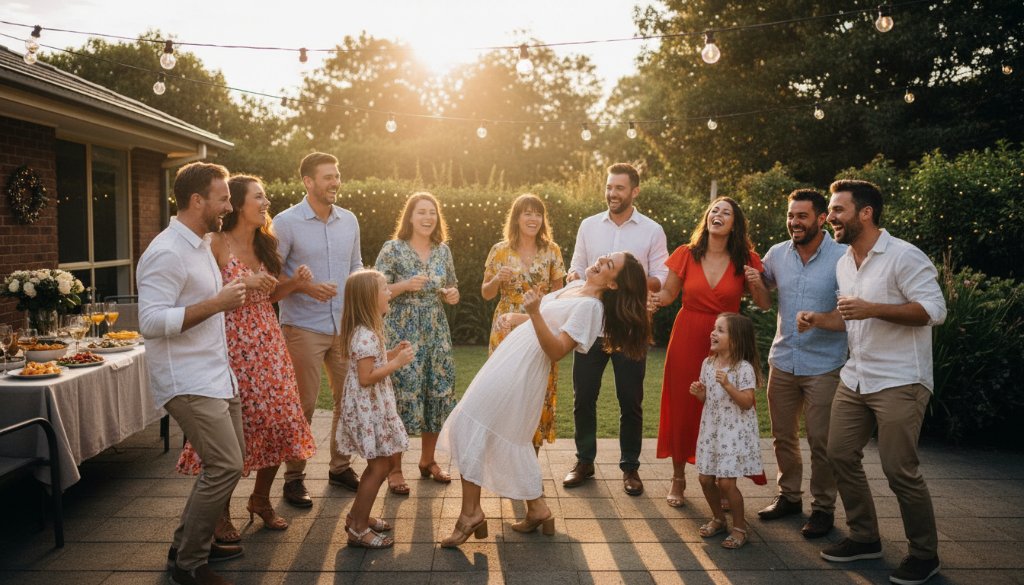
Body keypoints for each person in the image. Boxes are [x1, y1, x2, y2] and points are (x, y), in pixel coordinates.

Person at [437, 252, 651, 548]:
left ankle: (470, 514)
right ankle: (537, 508)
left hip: (525, 368)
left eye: (609, 265)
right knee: (490, 429)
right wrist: (519, 317)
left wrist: (535, 313)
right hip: (510, 355)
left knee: (471, 423)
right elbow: (550, 320)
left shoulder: (592, 308)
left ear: (614, 286)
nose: (601, 260)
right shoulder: (574, 287)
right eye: (605, 256)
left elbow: (557, 350)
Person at [800, 180, 946, 585]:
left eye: (837, 210)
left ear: (865, 213)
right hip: (857, 375)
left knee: (899, 469)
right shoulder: (845, 262)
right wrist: (819, 318)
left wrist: (874, 309)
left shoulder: (903, 256)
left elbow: (935, 311)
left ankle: (924, 553)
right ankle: (865, 537)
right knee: (839, 453)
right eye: (830, 210)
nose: (829, 217)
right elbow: (849, 317)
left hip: (900, 378)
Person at [175, 175, 318, 541]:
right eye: (260, 196)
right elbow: (204, 294)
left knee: (277, 422)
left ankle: (260, 500)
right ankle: (219, 513)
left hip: (268, 343)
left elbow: (270, 297)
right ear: (238, 203)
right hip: (231, 344)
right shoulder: (216, 244)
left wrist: (294, 284)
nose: (266, 201)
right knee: (236, 430)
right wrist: (244, 284)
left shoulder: (266, 243)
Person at [138, 162, 247, 585]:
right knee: (224, 464)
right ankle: (190, 565)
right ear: (197, 200)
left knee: (229, 463)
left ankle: (183, 544)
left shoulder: (201, 244)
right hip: (186, 380)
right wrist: (218, 303)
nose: (229, 205)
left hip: (217, 375)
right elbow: (150, 321)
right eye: (222, 198)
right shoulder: (166, 251)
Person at [652, 196, 769, 507]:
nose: (718, 215)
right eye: (714, 210)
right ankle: (678, 478)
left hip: (729, 340)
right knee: (683, 404)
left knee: (725, 406)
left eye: (726, 212)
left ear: (735, 224)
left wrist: (756, 283)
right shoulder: (686, 255)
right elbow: (668, 293)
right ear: (706, 218)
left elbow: (763, 302)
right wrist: (654, 299)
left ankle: (723, 480)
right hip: (688, 335)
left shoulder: (747, 259)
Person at [563, 163, 669, 497]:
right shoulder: (588, 225)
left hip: (630, 328)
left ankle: (630, 468)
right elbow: (577, 266)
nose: (612, 194)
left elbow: (662, 278)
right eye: (609, 187)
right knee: (584, 398)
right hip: (591, 326)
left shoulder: (652, 230)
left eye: (619, 188)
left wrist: (629, 282)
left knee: (631, 401)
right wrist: (574, 277)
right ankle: (584, 461)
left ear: (635, 191)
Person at [747, 189, 847, 538]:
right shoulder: (777, 254)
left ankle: (822, 509)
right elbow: (762, 302)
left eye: (802, 216)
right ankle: (789, 496)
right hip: (784, 361)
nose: (794, 223)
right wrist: (756, 282)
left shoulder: (843, 257)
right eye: (791, 216)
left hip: (824, 365)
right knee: (782, 437)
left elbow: (852, 313)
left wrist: (818, 319)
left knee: (822, 442)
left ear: (821, 219)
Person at [273, 152, 363, 507]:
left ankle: (340, 467)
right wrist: (305, 287)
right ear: (308, 182)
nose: (335, 182)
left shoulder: (350, 221)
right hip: (303, 327)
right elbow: (271, 276)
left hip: (344, 325)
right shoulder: (286, 222)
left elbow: (356, 266)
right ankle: (293, 478)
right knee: (303, 405)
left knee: (348, 399)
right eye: (327, 177)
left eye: (337, 175)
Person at [375, 192, 459, 495]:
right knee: (402, 393)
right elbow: (375, 290)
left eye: (432, 213)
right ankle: (395, 469)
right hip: (402, 331)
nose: (427, 218)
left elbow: (452, 287)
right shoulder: (393, 249)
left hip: (436, 331)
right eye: (421, 212)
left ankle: (428, 461)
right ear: (410, 217)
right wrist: (404, 285)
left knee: (436, 390)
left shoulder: (442, 251)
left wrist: (451, 295)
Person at [337, 270, 415, 549]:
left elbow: (372, 363)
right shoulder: (365, 336)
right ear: (370, 299)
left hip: (372, 407)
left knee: (379, 464)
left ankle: (358, 516)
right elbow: (366, 376)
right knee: (380, 465)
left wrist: (391, 353)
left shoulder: (369, 332)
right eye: (385, 289)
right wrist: (397, 363)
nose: (390, 292)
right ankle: (357, 528)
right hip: (368, 409)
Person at [482, 193, 565, 450]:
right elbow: (486, 293)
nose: (533, 218)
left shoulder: (552, 250)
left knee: (536, 389)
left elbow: (559, 294)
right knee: (506, 388)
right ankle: (504, 454)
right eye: (527, 213)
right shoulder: (500, 250)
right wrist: (497, 280)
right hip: (506, 325)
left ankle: (531, 459)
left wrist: (542, 311)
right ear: (517, 218)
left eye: (538, 213)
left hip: (539, 322)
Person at [691, 313, 765, 550]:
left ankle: (740, 527)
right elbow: (708, 399)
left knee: (726, 484)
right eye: (715, 328)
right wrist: (699, 392)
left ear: (735, 340)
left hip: (733, 432)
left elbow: (746, 402)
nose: (713, 333)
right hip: (712, 429)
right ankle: (719, 519)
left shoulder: (743, 368)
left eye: (720, 330)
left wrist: (727, 384)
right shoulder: (708, 363)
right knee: (704, 478)